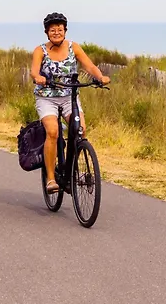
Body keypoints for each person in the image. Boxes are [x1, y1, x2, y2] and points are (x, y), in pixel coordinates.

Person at [30, 12, 110, 194]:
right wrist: (38, 77)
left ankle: (71, 168)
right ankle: (51, 178)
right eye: (52, 30)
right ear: (47, 32)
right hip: (47, 97)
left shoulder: (74, 47)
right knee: (53, 132)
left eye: (60, 29)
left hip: (69, 97)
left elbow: (89, 66)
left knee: (80, 129)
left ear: (65, 31)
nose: (56, 33)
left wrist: (100, 77)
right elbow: (34, 71)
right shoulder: (40, 50)